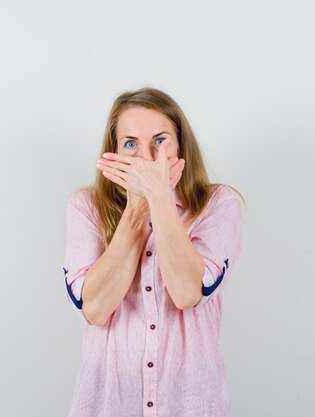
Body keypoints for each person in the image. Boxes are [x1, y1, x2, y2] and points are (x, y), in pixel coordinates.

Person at [62, 87, 246, 417]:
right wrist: (136, 210)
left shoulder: (220, 205)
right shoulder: (85, 208)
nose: (145, 159)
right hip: (109, 404)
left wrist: (159, 198)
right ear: (113, 152)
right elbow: (96, 308)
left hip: (189, 404)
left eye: (160, 141)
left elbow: (188, 291)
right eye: (130, 144)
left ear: (180, 146)